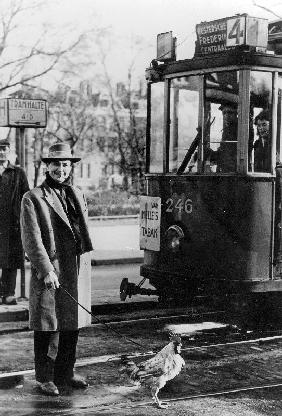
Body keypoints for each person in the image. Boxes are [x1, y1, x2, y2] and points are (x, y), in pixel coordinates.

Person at [20, 142, 93, 396]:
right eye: (56, 165)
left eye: (65, 165)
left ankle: (66, 372)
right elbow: (31, 238)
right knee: (47, 326)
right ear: (46, 167)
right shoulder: (33, 197)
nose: (61, 169)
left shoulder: (77, 193)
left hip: (74, 268)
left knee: (71, 324)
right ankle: (45, 377)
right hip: (51, 269)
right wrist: (45, 269)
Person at [0, 139, 29, 305]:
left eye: (4, 149)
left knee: (11, 260)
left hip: (13, 225)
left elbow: (27, 198)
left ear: (9, 151)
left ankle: (9, 293)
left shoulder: (18, 173)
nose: (1, 152)